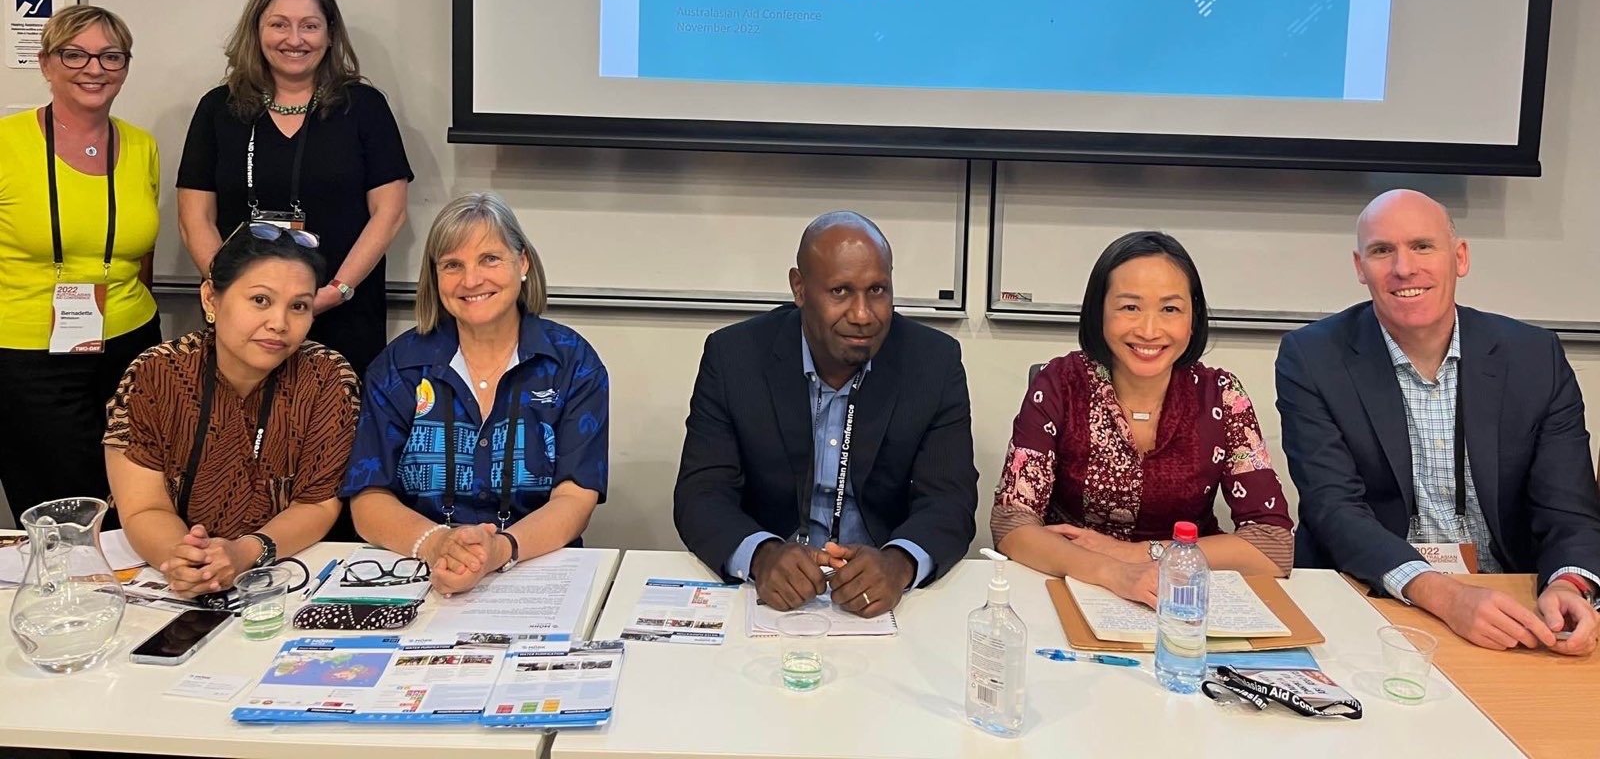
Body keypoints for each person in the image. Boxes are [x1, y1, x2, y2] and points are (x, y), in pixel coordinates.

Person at [1277, 189, 1600, 656]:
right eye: (1382, 251)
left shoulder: (1534, 357)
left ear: (1460, 257)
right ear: (1360, 267)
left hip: (1509, 599)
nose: (1404, 268)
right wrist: (1447, 597)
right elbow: (1333, 509)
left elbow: (1569, 510)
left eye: (1422, 246)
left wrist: (1568, 584)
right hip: (1369, 594)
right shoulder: (1311, 358)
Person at [674, 211, 978, 619]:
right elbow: (701, 494)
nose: (863, 314)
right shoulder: (734, 358)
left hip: (885, 598)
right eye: (840, 291)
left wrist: (899, 563)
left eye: (877, 290)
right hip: (769, 597)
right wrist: (761, 555)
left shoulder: (933, 363)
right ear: (799, 289)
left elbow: (950, 499)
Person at [991, 231, 1293, 606]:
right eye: (1130, 307)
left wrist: (1138, 554)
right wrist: (1113, 572)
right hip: (1073, 583)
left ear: (1193, 317)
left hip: (1183, 592)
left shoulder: (1222, 396)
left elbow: (1272, 545)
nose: (1149, 331)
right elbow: (1012, 523)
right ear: (1099, 311)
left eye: (1170, 310)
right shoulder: (1060, 383)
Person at [342, 193, 608, 594]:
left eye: (490, 259)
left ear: (522, 263)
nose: (471, 281)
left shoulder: (572, 362)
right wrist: (438, 544)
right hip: (422, 570)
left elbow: (575, 496)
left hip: (534, 571)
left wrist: (500, 550)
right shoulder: (398, 367)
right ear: (435, 277)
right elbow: (368, 498)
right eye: (453, 265)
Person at [176, 0, 411, 379]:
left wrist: (334, 292)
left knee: (334, 417)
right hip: (243, 321)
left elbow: (389, 213)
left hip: (342, 313)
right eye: (279, 25)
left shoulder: (363, 107)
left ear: (330, 34)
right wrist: (232, 292)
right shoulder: (218, 109)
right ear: (257, 31)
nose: (295, 39)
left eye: (310, 26)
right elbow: (194, 217)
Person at [104, 223, 359, 594]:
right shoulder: (157, 373)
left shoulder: (326, 377)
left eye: (299, 306)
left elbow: (317, 504)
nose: (279, 324)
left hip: (288, 570)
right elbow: (144, 507)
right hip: (169, 572)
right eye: (260, 300)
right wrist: (186, 562)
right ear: (211, 298)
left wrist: (245, 553)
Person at [0, 5, 161, 518]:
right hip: (29, 359)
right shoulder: (6, 144)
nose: (95, 69)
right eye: (75, 55)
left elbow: (141, 253)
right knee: (61, 510)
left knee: (135, 502)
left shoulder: (142, 145)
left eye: (111, 56)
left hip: (132, 348)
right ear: (46, 63)